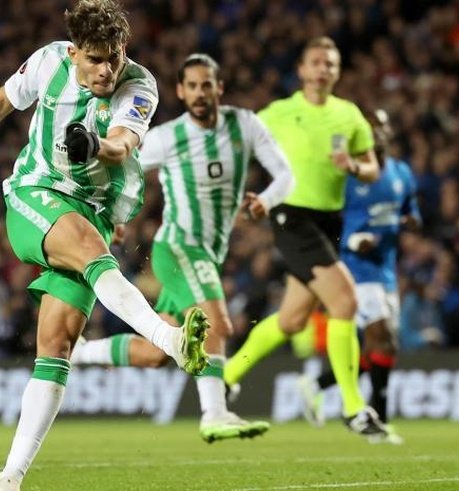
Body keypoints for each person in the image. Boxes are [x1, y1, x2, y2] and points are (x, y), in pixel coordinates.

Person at [0, 2, 210, 489]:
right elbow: (0, 103)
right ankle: (169, 339)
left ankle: (8, 479)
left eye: (114, 56)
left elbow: (123, 145)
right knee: (90, 252)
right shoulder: (48, 62)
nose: (106, 69)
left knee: (57, 345)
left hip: (91, 215)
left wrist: (95, 145)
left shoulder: (140, 83)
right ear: (74, 52)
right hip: (34, 196)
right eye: (94, 59)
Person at [69, 53, 295, 442]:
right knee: (217, 324)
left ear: (219, 88)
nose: (200, 93)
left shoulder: (244, 124)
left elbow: (286, 176)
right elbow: (121, 168)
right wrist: (116, 218)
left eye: (207, 84)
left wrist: (267, 202)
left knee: (159, 352)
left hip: (208, 252)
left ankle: (81, 352)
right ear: (180, 91)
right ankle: (215, 414)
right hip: (178, 247)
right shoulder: (167, 137)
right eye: (191, 86)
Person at [221, 36, 387, 440]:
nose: (323, 69)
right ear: (301, 69)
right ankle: (353, 408)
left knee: (293, 319)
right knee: (344, 301)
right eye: (316, 62)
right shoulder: (279, 112)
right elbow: (239, 147)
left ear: (337, 71)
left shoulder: (349, 116)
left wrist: (354, 167)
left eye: (330, 63)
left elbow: (373, 168)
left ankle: (225, 377)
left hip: (330, 220)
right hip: (290, 215)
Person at [295, 109, 421, 443]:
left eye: (381, 125)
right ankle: (377, 418)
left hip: (386, 271)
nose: (376, 132)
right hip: (356, 270)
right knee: (385, 338)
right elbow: (332, 222)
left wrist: (412, 222)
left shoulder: (401, 173)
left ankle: (317, 385)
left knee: (382, 348)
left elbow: (412, 212)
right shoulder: (349, 178)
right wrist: (352, 240)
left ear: (388, 132)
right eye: (370, 127)